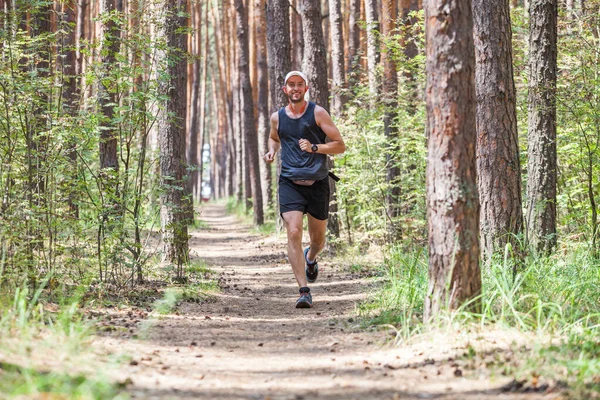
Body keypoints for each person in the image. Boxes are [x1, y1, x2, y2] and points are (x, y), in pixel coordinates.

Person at [264, 71, 346, 308]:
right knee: (293, 232)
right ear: (285, 89)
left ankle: (311, 257)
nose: (296, 88)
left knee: (318, 240)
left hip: (317, 183)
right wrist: (272, 151)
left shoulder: (318, 113)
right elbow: (275, 138)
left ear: (306, 88)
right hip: (290, 182)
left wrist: (315, 147)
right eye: (292, 85)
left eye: (300, 84)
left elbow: (340, 146)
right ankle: (303, 290)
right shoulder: (277, 117)